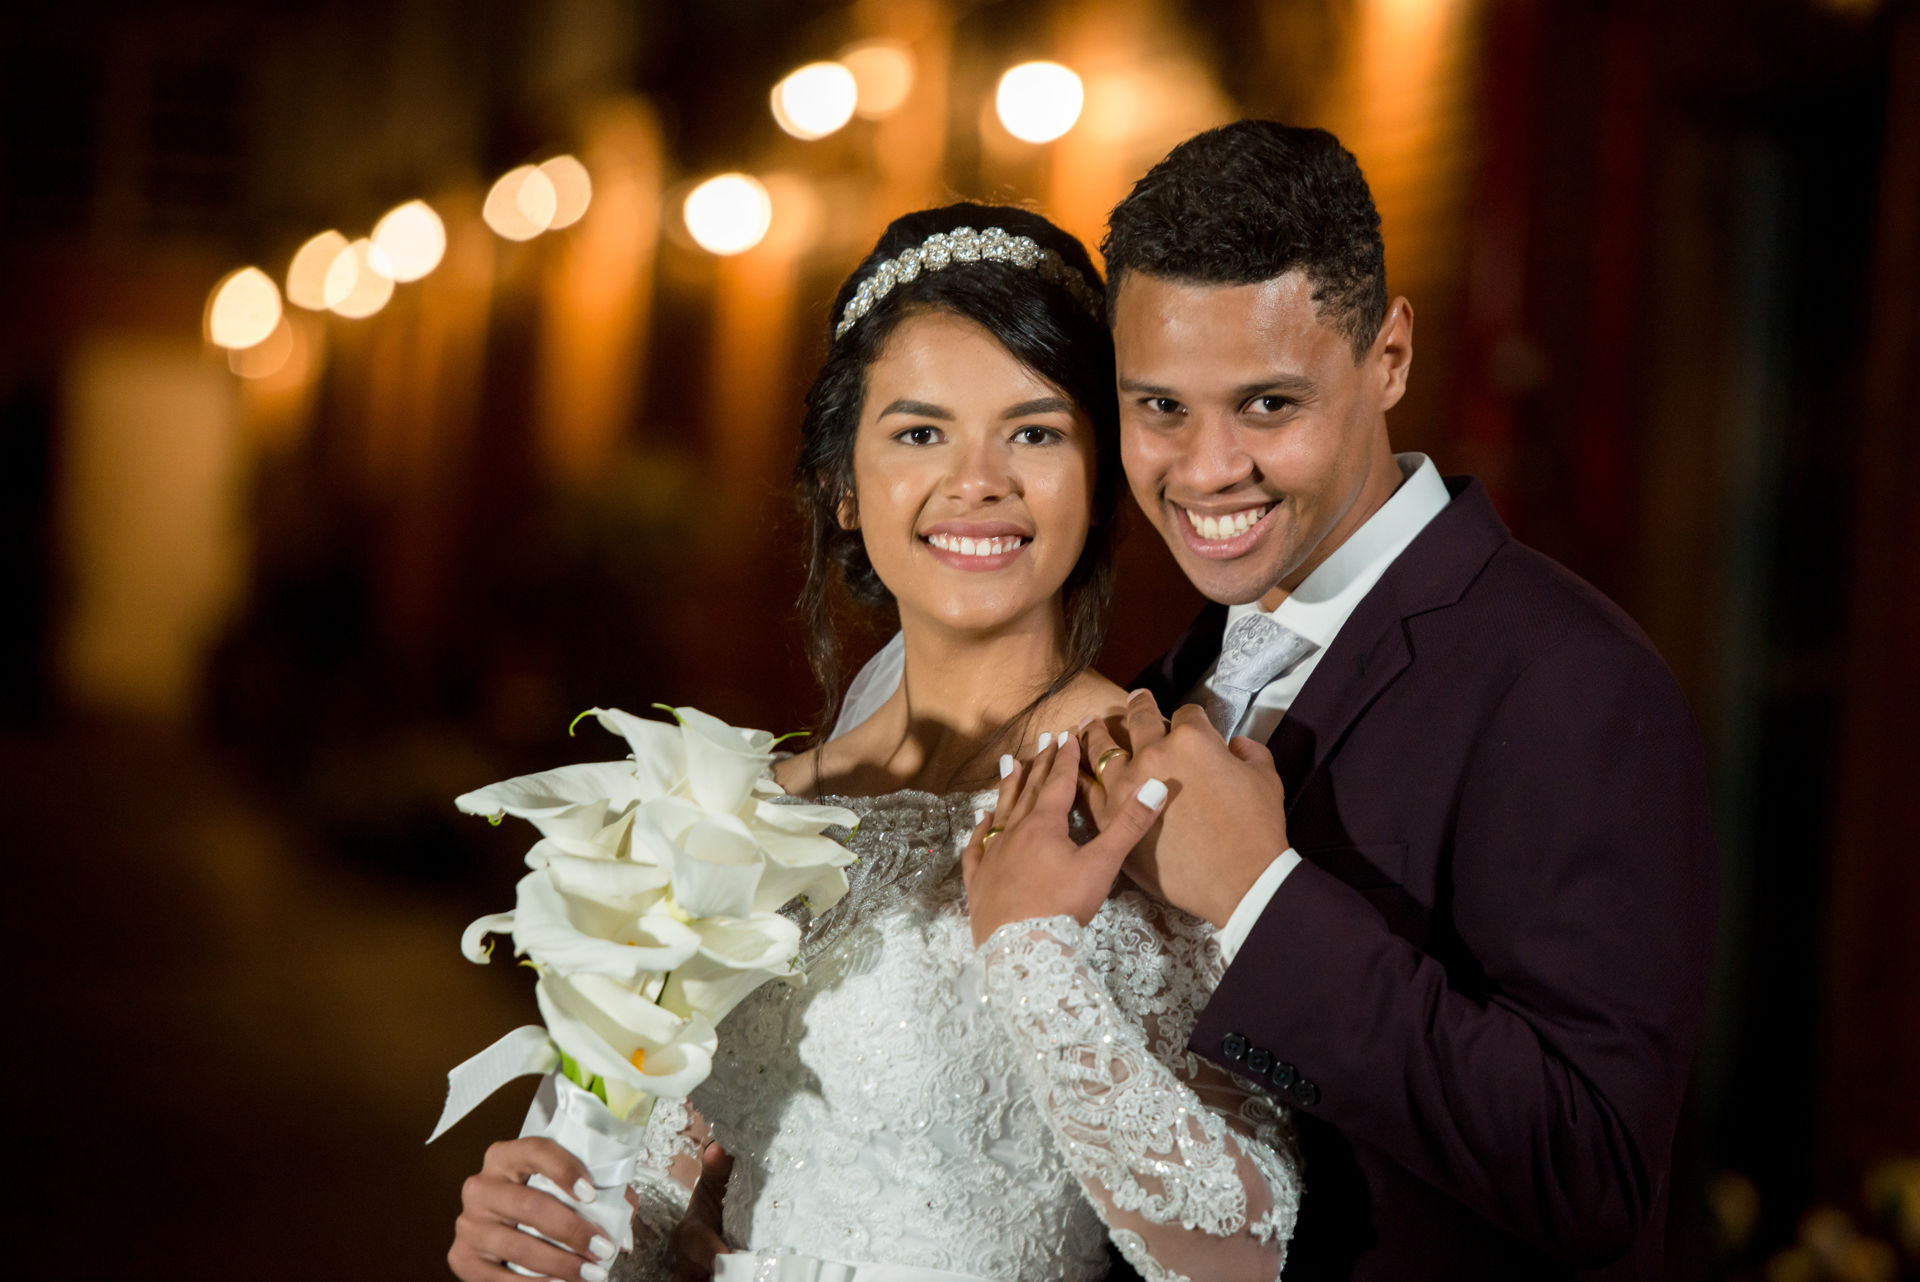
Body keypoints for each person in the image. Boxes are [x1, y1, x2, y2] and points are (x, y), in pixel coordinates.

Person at [446, 203, 1302, 1282]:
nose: (978, 479)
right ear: (845, 489)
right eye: (919, 431)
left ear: (1100, 481)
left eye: (1035, 431)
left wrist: (1033, 956)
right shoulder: (743, 814)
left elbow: (1247, 1253)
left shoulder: (1149, 783)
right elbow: (652, 1190)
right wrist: (548, 1239)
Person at [991, 122, 1718, 1280]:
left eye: (1269, 405)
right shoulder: (1176, 670)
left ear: (1389, 356)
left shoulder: (1572, 680)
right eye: (1161, 407)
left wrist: (1257, 897)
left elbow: (1597, 1173)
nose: (1208, 468)